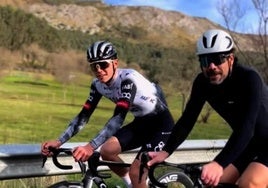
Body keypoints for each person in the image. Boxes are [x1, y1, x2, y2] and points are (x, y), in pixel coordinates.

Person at [41, 41, 174, 188]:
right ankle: (131, 185)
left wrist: (90, 147)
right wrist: (59, 141)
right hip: (141, 123)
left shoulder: (128, 80)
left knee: (137, 172)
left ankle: (136, 182)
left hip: (162, 125)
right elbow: (84, 115)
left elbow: (118, 118)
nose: (99, 70)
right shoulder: (97, 85)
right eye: (94, 66)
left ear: (115, 63)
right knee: (107, 151)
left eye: (103, 65)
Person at [147, 29, 268, 188]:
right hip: (248, 145)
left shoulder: (249, 78)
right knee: (214, 182)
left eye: (217, 59)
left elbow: (248, 126)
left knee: (249, 183)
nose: (211, 66)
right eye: (204, 61)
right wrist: (165, 151)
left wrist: (218, 163)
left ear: (230, 58)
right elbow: (187, 120)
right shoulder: (202, 83)